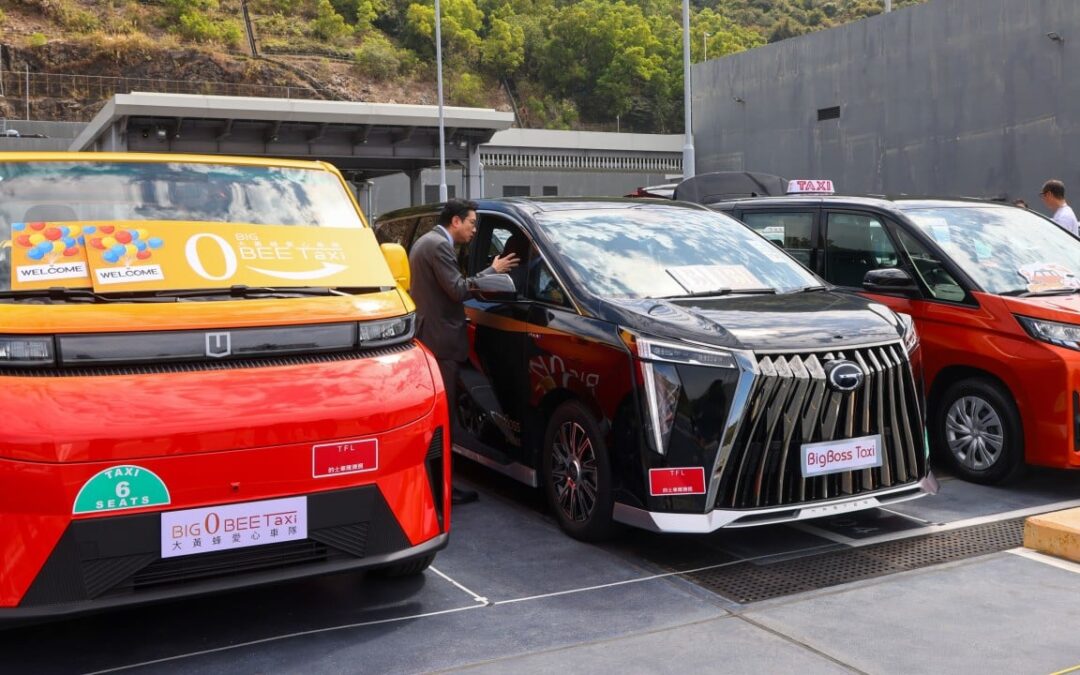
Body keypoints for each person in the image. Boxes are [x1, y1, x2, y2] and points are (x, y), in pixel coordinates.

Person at [408, 199, 519, 504]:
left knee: (439, 417)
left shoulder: (426, 242)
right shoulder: (438, 246)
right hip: (441, 341)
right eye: (471, 223)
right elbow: (457, 289)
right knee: (442, 419)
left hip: (433, 338)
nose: (474, 230)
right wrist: (493, 270)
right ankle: (442, 489)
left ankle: (438, 486)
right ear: (455, 221)